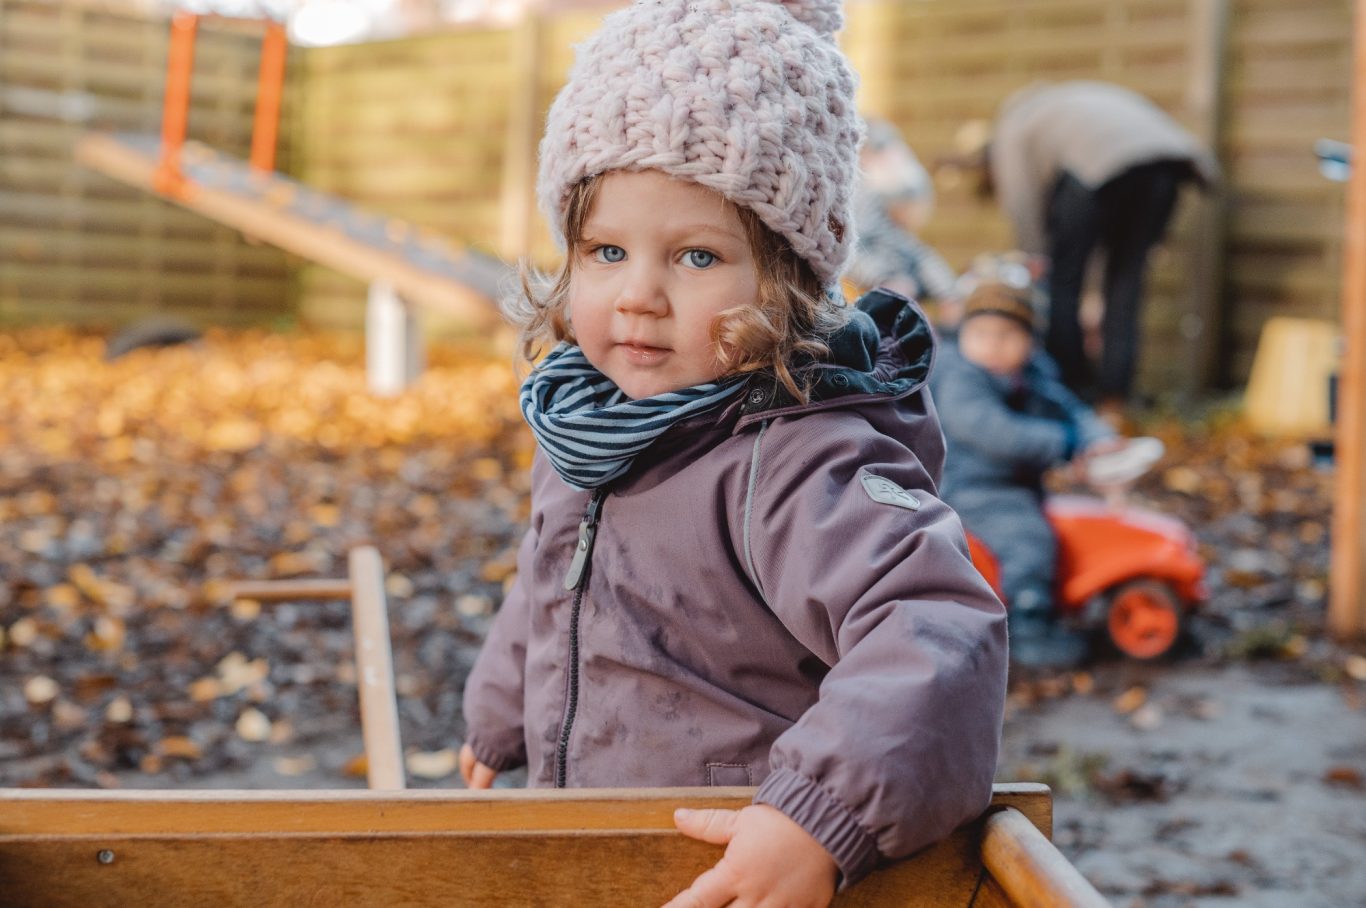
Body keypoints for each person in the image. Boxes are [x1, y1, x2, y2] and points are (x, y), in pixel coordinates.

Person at [457, 2, 1008, 905]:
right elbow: (553, 576)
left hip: (737, 860)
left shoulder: (797, 461)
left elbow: (934, 627)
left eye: (697, 258)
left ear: (786, 281)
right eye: (606, 250)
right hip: (594, 842)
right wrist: (498, 711)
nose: (638, 295)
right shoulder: (589, 423)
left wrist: (820, 816)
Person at [972, 81, 1219, 410]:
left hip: (1103, 166)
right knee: (1126, 284)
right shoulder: (1068, 102)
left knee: (1061, 283)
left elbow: (1022, 202)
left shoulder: (1013, 125)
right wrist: (1094, 296)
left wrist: (1034, 260)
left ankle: (1072, 391)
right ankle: (1115, 399)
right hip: (1164, 167)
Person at [929, 280, 1118, 669]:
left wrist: (1098, 438)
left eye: (1008, 335)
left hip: (1017, 486)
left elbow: (1069, 409)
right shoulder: (959, 378)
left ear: (1030, 341)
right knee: (1027, 539)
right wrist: (1064, 443)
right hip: (971, 487)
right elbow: (994, 431)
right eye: (981, 334)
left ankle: (1061, 597)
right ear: (963, 335)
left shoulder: (1033, 374)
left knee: (1069, 523)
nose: (993, 345)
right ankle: (1028, 626)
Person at [847, 119, 962, 322]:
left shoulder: (894, 228)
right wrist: (886, 280)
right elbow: (851, 252)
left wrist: (949, 294)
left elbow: (918, 254)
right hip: (869, 294)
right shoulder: (862, 204)